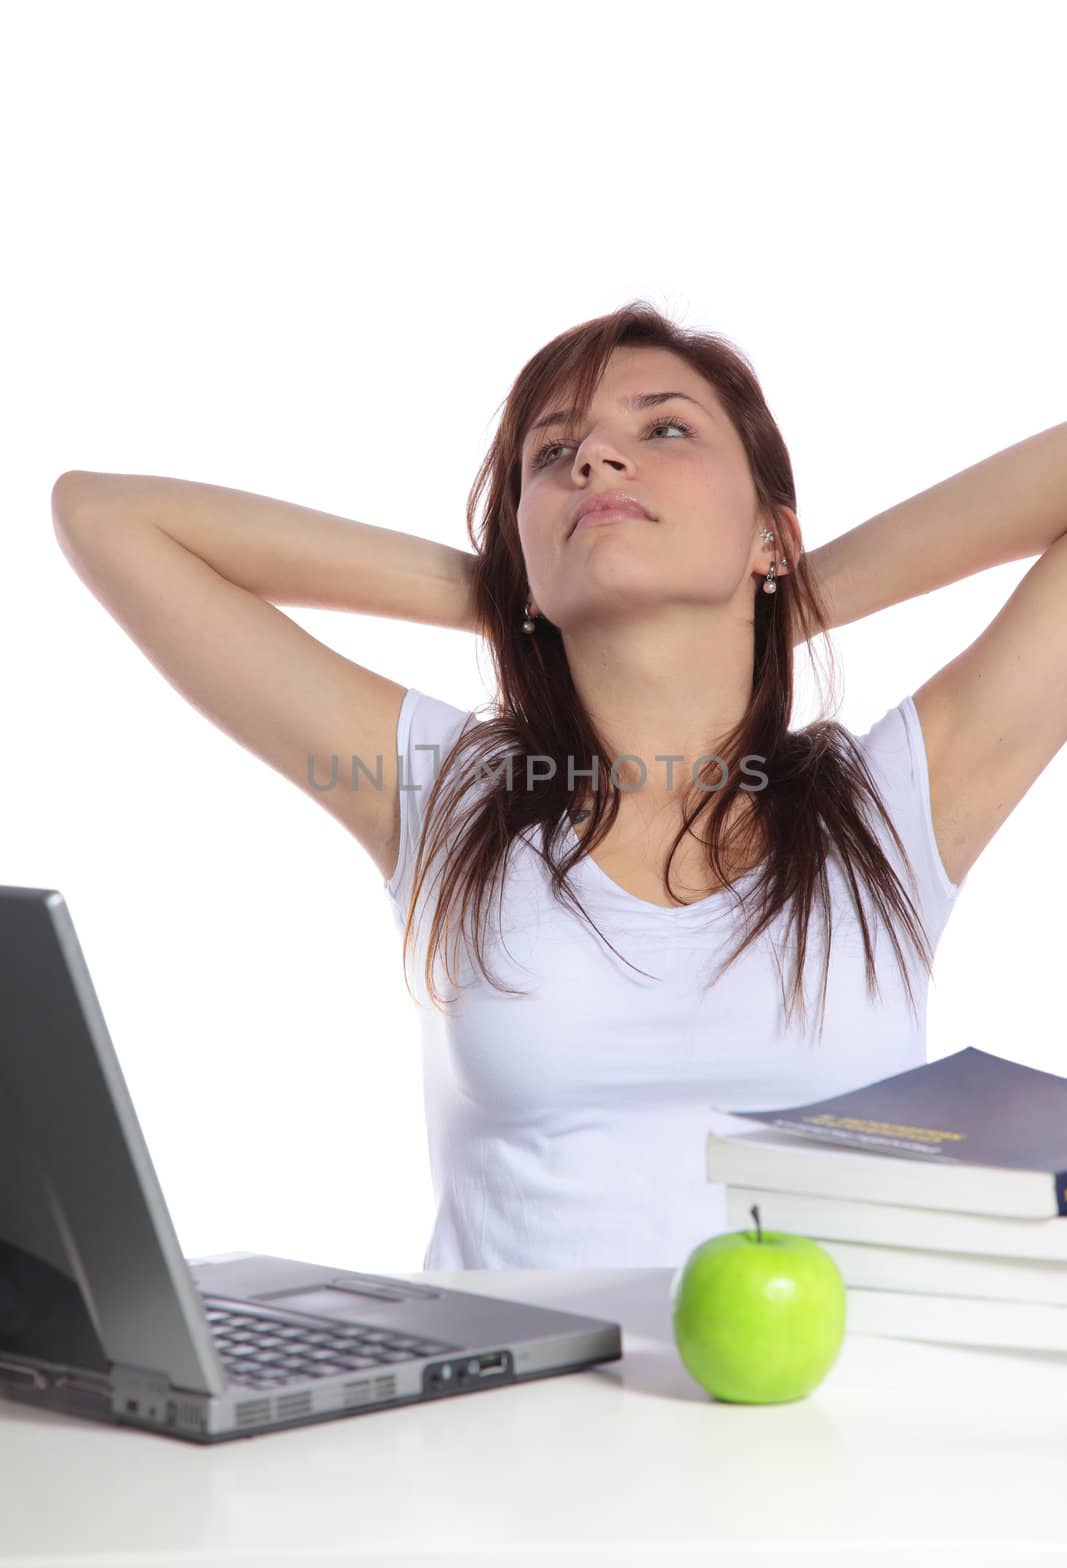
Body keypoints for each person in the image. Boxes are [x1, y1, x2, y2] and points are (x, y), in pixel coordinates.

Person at [52, 300, 1067, 1270]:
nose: (594, 458)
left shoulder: (888, 804)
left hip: (823, 1431)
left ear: (771, 533)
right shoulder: (446, 795)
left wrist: (790, 591)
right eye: (552, 454)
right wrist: (511, 587)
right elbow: (102, 515)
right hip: (500, 1431)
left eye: (663, 429)